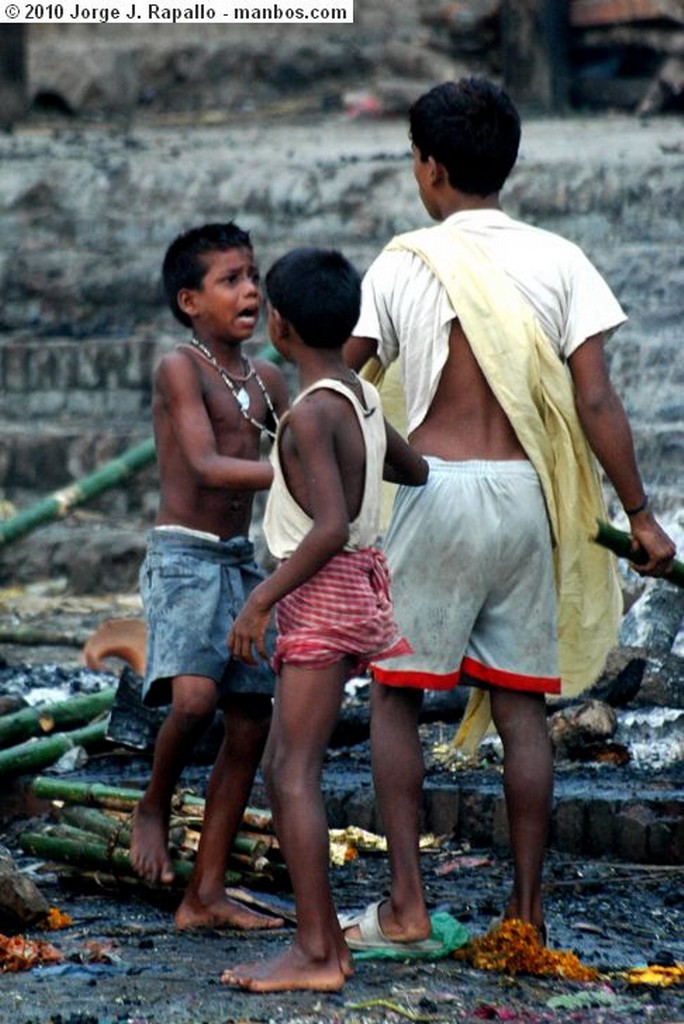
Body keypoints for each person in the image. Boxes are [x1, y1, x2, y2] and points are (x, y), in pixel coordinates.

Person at [342, 78, 676, 950]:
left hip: (434, 491)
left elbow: (345, 385)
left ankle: (407, 909)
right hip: (527, 501)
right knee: (523, 710)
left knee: (395, 697)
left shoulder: (403, 260)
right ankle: (526, 919)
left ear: (430, 167)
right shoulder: (561, 260)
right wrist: (640, 515)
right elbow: (598, 401)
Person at [219, 246, 429, 992]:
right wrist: (361, 460)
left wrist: (260, 597)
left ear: (279, 323)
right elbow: (414, 468)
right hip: (358, 585)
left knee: (292, 773)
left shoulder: (310, 414)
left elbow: (331, 524)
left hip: (322, 589)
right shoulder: (361, 397)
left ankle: (315, 953)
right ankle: (325, 948)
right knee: (287, 764)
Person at [131, 221, 289, 932]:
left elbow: (310, 431)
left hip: (238, 561)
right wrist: (298, 477)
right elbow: (203, 465)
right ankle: (153, 803)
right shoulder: (181, 368)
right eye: (230, 280)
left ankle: (207, 893)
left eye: (253, 276)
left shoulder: (269, 380)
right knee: (194, 699)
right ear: (191, 301)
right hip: (184, 557)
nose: (249, 289)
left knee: (252, 719)